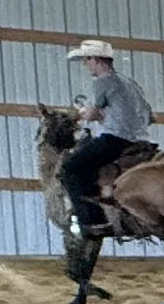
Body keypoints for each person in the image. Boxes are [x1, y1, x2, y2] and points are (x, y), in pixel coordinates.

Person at [57, 38, 155, 238]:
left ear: (97, 60)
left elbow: (93, 113)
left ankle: (91, 221)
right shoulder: (130, 82)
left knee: (70, 169)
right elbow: (149, 115)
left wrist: (82, 113)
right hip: (141, 139)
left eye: (87, 61)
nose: (86, 65)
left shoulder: (104, 81)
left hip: (115, 140)